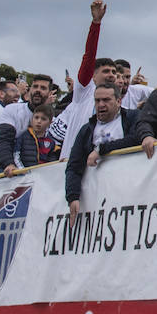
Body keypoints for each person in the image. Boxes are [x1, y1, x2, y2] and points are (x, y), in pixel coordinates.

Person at [65, 85, 141, 218]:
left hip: (131, 193)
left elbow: (136, 138)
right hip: (98, 200)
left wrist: (101, 150)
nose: (101, 104)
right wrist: (73, 197)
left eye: (106, 100)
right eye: (97, 100)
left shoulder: (132, 117)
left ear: (118, 101)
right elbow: (73, 166)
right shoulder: (86, 130)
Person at [47, 0, 112, 155]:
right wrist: (96, 24)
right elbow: (89, 56)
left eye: (114, 72)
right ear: (93, 76)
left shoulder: (116, 102)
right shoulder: (85, 92)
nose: (111, 75)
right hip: (72, 163)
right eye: (106, 71)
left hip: (99, 164)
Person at [0, 74, 55, 177]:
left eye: (43, 88)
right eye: (35, 87)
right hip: (6, 168)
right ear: (30, 89)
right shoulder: (12, 109)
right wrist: (10, 164)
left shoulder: (53, 121)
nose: (38, 90)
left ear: (49, 93)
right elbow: (3, 140)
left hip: (36, 175)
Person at [14, 105, 59, 169]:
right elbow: (16, 156)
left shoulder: (51, 142)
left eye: (43, 119)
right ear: (32, 119)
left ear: (50, 122)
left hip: (42, 176)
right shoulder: (23, 137)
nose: (39, 121)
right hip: (25, 175)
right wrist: (23, 171)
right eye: (36, 117)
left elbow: (51, 163)